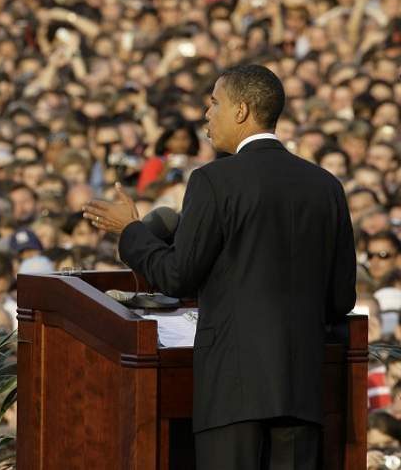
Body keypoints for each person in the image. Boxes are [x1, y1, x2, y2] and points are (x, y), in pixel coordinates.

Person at [83, 65, 357, 469]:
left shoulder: (214, 181)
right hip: (302, 390)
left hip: (232, 389)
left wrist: (130, 231)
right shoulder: (326, 186)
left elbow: (177, 275)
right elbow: (340, 298)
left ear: (242, 110)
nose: (206, 114)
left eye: (214, 103)